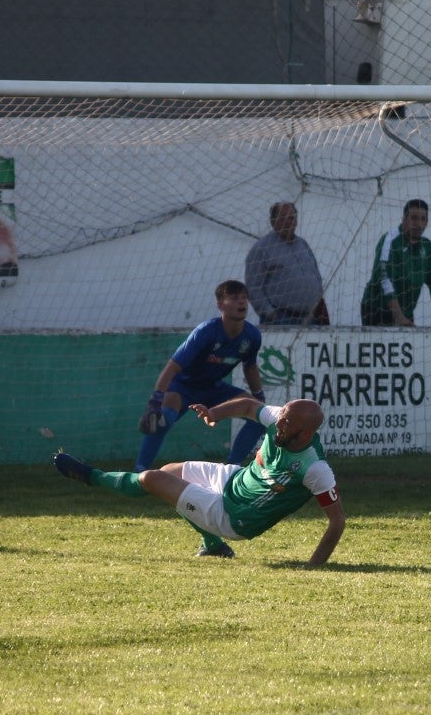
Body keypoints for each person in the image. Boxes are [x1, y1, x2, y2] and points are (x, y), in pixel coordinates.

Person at [56, 397, 344, 564]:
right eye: (281, 416)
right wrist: (215, 413)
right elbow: (248, 406)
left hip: (233, 517)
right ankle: (213, 546)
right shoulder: (281, 419)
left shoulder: (314, 468)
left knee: (150, 479)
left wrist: (314, 566)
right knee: (170, 471)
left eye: (287, 423)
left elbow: (337, 521)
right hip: (234, 480)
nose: (279, 423)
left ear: (305, 435)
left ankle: (91, 476)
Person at [133, 279, 266, 473]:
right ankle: (140, 472)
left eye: (244, 298)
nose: (242, 302)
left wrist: (258, 397)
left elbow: (251, 367)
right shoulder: (206, 331)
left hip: (214, 388)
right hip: (183, 386)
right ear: (220, 304)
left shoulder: (252, 336)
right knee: (164, 418)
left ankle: (231, 470)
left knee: (259, 416)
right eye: (235, 298)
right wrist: (156, 399)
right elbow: (172, 367)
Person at [360, 198, 431, 327]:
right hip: (377, 311)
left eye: (423, 219)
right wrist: (398, 317)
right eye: (414, 218)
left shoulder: (427, 246)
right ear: (404, 219)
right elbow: (384, 278)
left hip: (406, 312)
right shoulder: (390, 240)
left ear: (427, 222)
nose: (418, 223)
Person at [244, 201, 330, 326]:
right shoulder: (261, 249)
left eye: (291, 217)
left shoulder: (303, 245)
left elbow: (316, 276)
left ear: (296, 221)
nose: (288, 221)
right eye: (282, 218)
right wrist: (270, 313)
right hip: (281, 320)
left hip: (310, 319)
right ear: (273, 222)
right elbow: (253, 287)